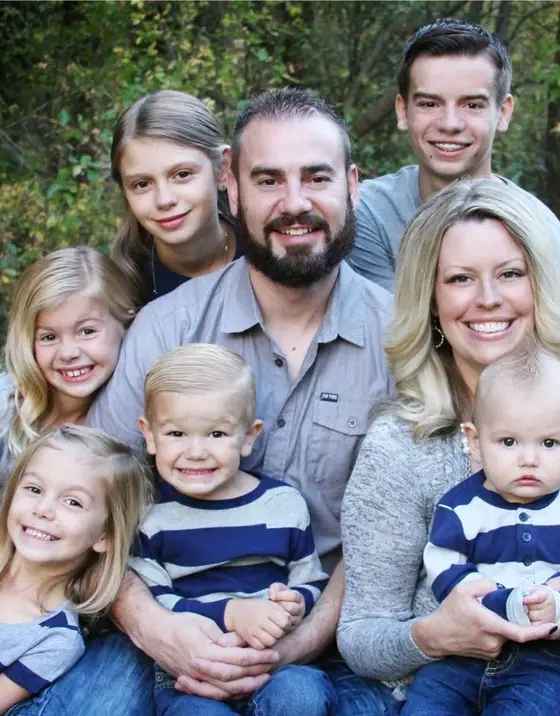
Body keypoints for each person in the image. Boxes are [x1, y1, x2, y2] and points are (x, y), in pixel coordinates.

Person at [14, 87, 392, 715]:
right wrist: (156, 629)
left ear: (352, 184)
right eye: (268, 179)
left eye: (316, 177)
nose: (294, 203)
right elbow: (100, 496)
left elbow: (392, 528)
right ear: (232, 187)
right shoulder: (164, 328)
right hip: (170, 620)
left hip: (330, 632)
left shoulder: (401, 338)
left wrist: (302, 639)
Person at [339, 177, 560, 715]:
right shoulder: (400, 443)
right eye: (460, 278)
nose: (488, 298)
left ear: (541, 283)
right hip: (455, 697)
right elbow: (362, 635)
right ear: (431, 300)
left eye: (511, 274)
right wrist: (437, 635)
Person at [402, 347, 560, 715]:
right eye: (508, 442)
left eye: (549, 443)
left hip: (546, 658)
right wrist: (500, 603)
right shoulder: (461, 507)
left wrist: (558, 600)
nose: (529, 458)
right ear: (474, 441)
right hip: (462, 652)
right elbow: (447, 568)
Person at [132, 344, 333, 715]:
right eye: (176, 434)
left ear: (249, 436)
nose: (196, 451)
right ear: (149, 435)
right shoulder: (151, 518)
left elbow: (312, 579)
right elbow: (159, 602)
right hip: (191, 672)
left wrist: (294, 605)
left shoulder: (283, 505)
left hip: (278, 662)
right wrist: (231, 614)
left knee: (302, 696)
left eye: (217, 434)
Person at [348, 18, 560, 291]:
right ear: (402, 110)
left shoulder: (543, 233)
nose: (450, 123)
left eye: (472, 105)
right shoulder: (367, 212)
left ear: (503, 113)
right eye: (429, 103)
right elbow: (387, 327)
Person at [0, 424, 150, 714]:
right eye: (33, 489)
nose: (43, 509)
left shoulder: (56, 638)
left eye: (73, 502)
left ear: (104, 535)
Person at [0, 247, 136, 483]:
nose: (68, 353)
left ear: (125, 323)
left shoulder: (132, 413)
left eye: (87, 331)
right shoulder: (7, 407)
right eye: (49, 337)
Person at [111, 90, 241, 305]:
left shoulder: (268, 252)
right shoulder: (122, 294)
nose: (164, 200)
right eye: (142, 184)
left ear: (222, 169)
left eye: (182, 175)